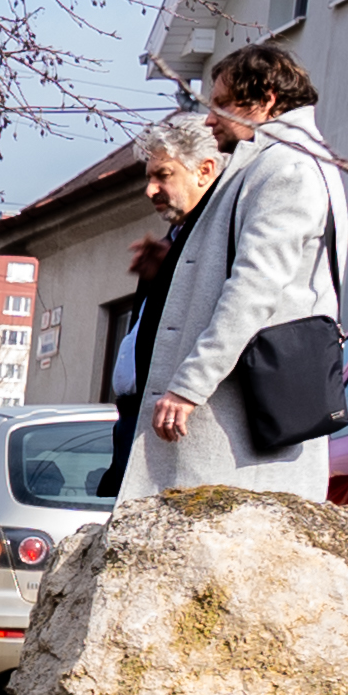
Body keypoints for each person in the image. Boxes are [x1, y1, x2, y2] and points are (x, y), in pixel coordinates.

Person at [135, 40, 345, 498]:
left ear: (266, 100)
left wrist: (189, 385)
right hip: (236, 419)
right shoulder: (271, 163)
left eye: (222, 105)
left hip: (239, 426)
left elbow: (254, 288)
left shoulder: (287, 169)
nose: (209, 120)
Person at [100, 114, 224, 490]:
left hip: (171, 422)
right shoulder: (177, 235)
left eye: (163, 175)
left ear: (204, 171)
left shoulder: (219, 233)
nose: (150, 190)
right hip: (135, 415)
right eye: (149, 177)